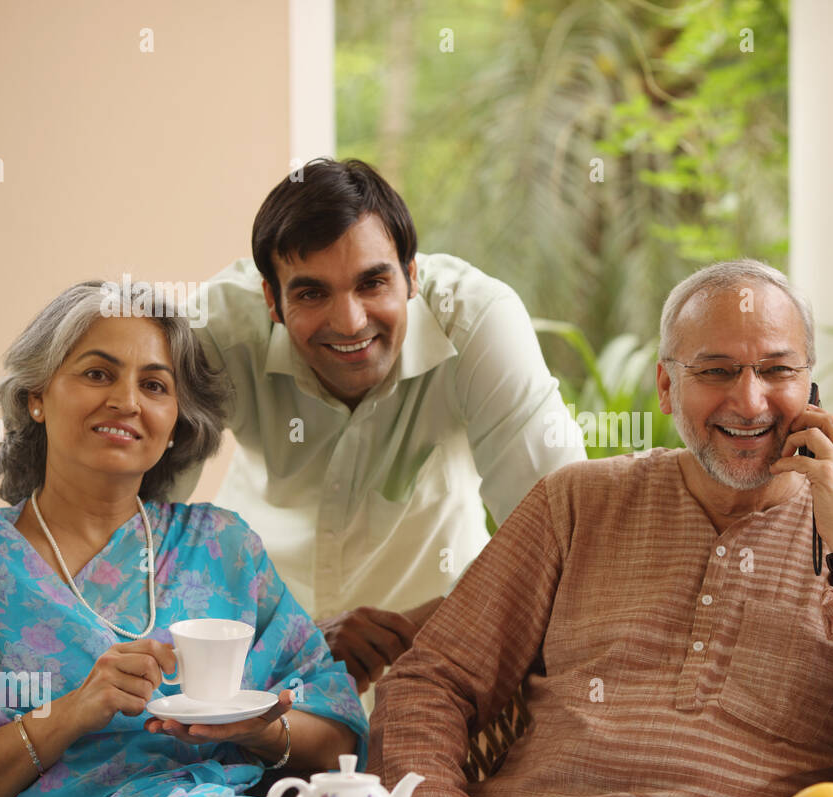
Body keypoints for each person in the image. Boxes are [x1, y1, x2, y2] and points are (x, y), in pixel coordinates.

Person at [370, 260, 833, 797]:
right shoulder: (577, 503)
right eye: (715, 371)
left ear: (810, 386)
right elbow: (432, 682)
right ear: (666, 386)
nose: (749, 402)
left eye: (777, 371)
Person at [0, 282, 368, 797]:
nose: (127, 401)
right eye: (98, 374)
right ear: (35, 397)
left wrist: (255, 730)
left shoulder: (224, 547)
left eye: (153, 385)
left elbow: (337, 736)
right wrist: (71, 712)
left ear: (174, 422)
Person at [172, 159, 586, 693]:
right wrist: (289, 645)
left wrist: (411, 632)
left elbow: (561, 538)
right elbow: (134, 531)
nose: (350, 322)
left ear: (412, 275)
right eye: (311, 293)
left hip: (445, 650)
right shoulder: (218, 331)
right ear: (271, 299)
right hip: (260, 650)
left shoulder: (478, 320)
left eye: (373, 282)